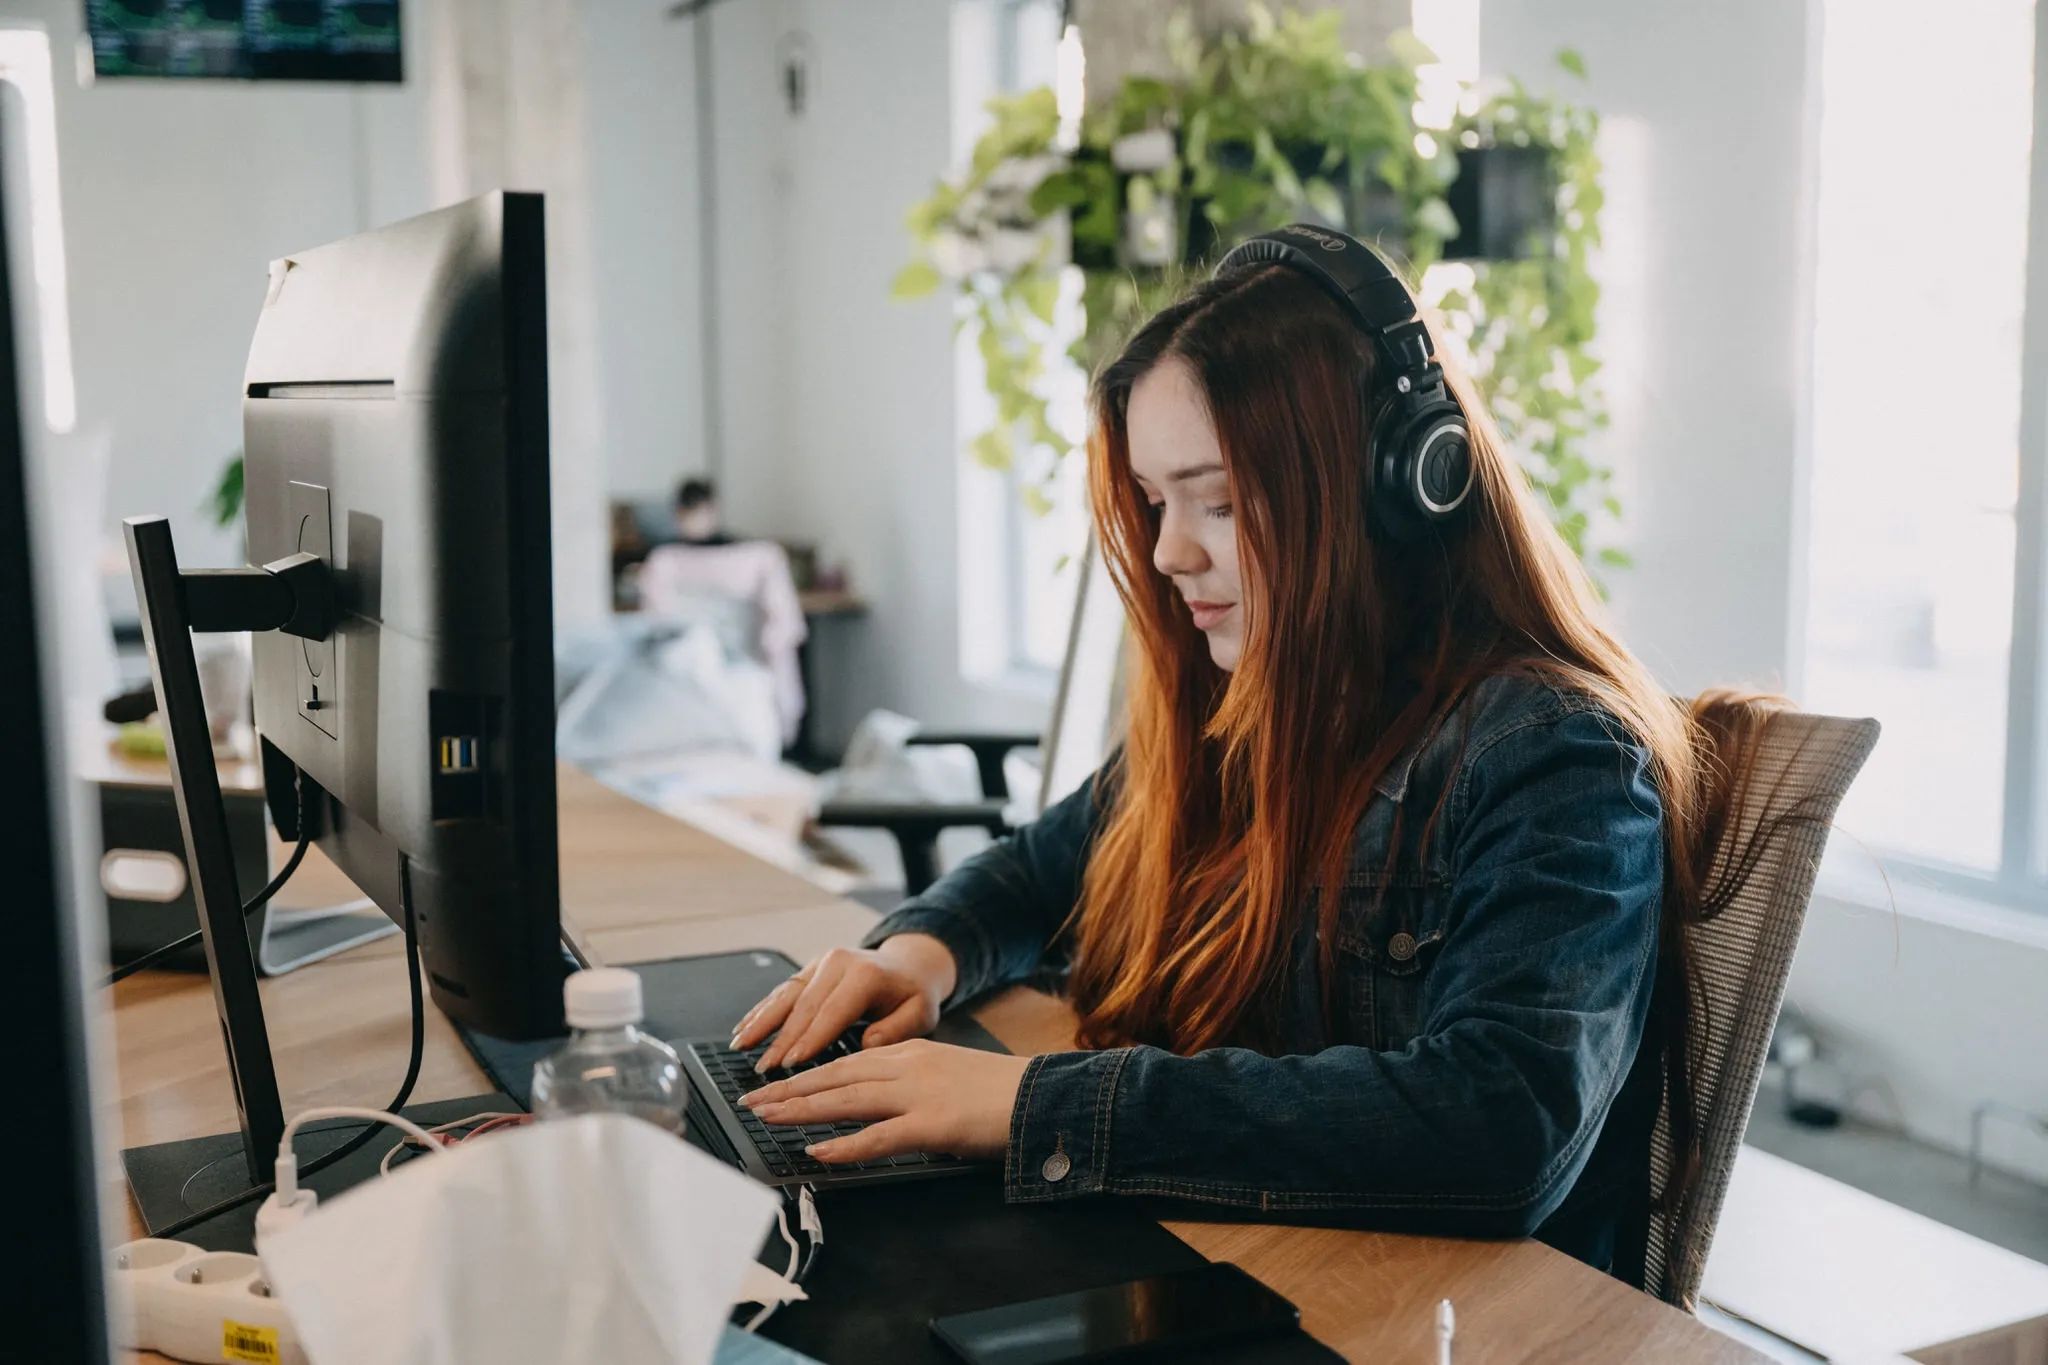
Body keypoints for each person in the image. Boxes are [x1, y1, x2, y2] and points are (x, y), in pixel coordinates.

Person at [730, 226, 1782, 1280]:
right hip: (1260, 1261)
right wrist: (916, 955)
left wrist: (1026, 1103)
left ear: (1393, 489)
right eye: (1154, 502)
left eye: (1219, 501)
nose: (1165, 552)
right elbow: (1040, 870)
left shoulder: (1555, 757)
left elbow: (1498, 1125)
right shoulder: (1263, 706)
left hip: (1451, 1322)